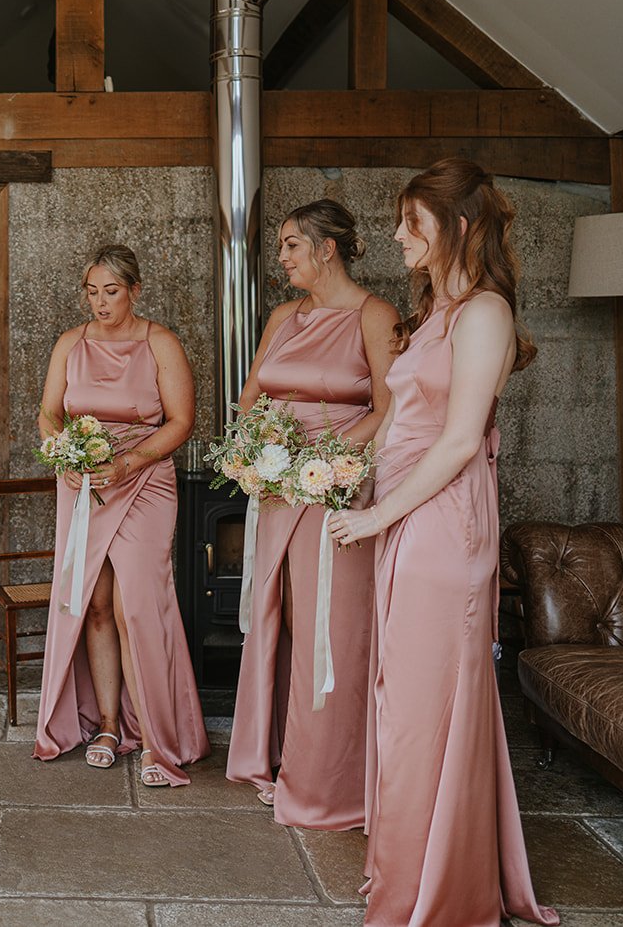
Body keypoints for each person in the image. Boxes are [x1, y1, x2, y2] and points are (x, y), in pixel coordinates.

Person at [328, 159, 559, 926]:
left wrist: (376, 515)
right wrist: (342, 471)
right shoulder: (434, 313)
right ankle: (406, 866)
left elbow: (459, 442)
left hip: (441, 528)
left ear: (457, 226)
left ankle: (437, 889)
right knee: (403, 700)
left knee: (424, 707)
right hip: (407, 518)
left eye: (411, 223)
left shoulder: (485, 313)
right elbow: (399, 420)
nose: (396, 235)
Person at [225, 201, 396, 827]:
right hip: (277, 487)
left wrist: (322, 460)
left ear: (328, 249)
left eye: (293, 245)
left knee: (332, 622)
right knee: (283, 615)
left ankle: (327, 770)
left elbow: (390, 405)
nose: (284, 257)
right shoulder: (283, 316)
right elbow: (252, 394)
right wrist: (257, 452)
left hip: (335, 486)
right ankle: (278, 752)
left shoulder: (374, 315)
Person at [33, 245, 207, 787]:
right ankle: (108, 724)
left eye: (111, 291)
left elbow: (182, 421)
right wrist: (64, 452)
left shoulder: (160, 343)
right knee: (97, 604)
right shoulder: (71, 343)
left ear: (134, 289)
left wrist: (131, 460)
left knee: (140, 606)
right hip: (83, 483)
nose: (101, 302)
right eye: (92, 291)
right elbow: (48, 412)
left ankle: (157, 737)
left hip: (145, 481)